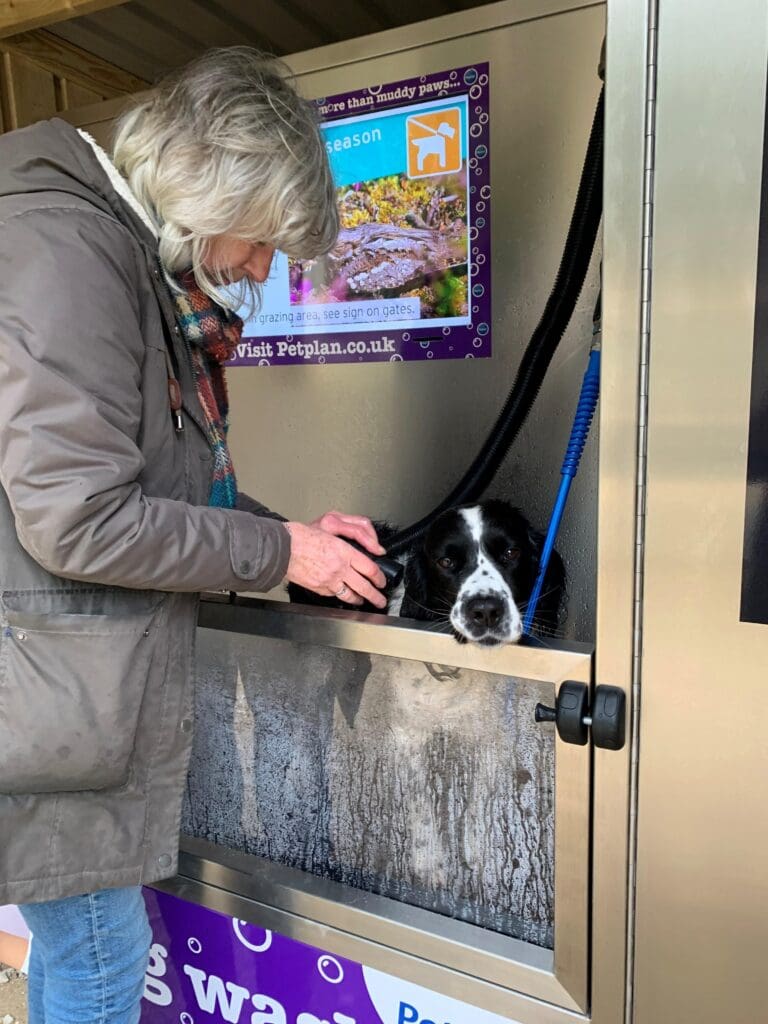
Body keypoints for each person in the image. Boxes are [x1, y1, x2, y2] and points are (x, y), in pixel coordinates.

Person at [0, 47, 387, 1024]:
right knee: (99, 954)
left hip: (67, 702)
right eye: (263, 241)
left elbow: (162, 490)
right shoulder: (69, 249)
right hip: (48, 703)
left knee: (78, 945)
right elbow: (79, 519)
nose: (261, 271)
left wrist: (287, 532)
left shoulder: (115, 251)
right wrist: (281, 555)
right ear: (213, 185)